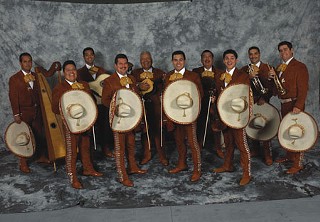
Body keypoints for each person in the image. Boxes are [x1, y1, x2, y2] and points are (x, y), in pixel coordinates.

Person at [52, 60, 103, 189]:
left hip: (85, 121)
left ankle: (88, 169)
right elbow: (54, 108)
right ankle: (72, 176)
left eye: (73, 69)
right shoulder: (59, 87)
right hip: (70, 123)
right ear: (64, 73)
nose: (71, 72)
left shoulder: (84, 85)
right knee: (72, 151)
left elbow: (91, 102)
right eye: (68, 70)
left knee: (86, 146)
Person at [8, 53, 59, 173]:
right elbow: (13, 97)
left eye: (29, 61)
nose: (28, 64)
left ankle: (41, 156)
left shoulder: (37, 76)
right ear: (20, 63)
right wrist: (16, 114)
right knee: (24, 136)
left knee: (39, 133)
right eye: (25, 62)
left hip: (37, 110)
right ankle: (23, 162)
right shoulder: (14, 79)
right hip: (24, 112)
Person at [101, 54, 147, 187]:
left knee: (131, 144)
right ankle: (122, 175)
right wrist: (116, 108)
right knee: (120, 148)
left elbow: (135, 96)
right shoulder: (109, 81)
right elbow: (105, 100)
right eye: (120, 64)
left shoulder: (132, 78)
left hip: (131, 118)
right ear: (115, 66)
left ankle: (132, 167)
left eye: (125, 63)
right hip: (119, 119)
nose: (123, 66)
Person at [268, 41, 309, 174]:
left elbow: (303, 90)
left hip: (294, 104)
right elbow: (275, 91)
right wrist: (271, 78)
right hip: (284, 104)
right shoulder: (279, 67)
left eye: (285, 49)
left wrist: (298, 106)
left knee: (297, 133)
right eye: (280, 50)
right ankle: (290, 156)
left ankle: (298, 163)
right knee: (287, 130)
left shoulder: (300, 66)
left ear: (292, 50)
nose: (283, 52)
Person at [213, 49, 252, 186]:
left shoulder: (243, 75)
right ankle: (227, 165)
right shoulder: (219, 76)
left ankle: (247, 173)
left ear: (236, 60)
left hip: (237, 115)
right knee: (228, 143)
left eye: (232, 58)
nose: (229, 61)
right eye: (227, 58)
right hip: (224, 114)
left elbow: (245, 95)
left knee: (242, 145)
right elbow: (219, 94)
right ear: (224, 61)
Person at [164, 50, 203, 182]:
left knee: (192, 142)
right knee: (179, 141)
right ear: (172, 61)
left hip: (189, 113)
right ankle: (182, 163)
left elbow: (200, 95)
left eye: (181, 60)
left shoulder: (193, 76)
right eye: (175, 60)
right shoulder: (168, 75)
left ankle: (197, 169)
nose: (178, 62)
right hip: (174, 113)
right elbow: (166, 96)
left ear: (184, 61)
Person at [131, 51, 168, 166]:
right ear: (140, 61)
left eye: (147, 59)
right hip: (142, 106)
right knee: (144, 131)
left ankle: (162, 155)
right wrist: (138, 86)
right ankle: (147, 154)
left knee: (159, 131)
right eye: (143, 59)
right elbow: (130, 86)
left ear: (151, 60)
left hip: (156, 106)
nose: (145, 61)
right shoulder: (134, 73)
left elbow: (166, 88)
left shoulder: (160, 73)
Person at [77, 47, 114, 158]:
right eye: (87, 55)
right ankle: (89, 151)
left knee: (106, 122)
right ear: (84, 57)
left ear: (94, 56)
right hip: (88, 103)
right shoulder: (78, 73)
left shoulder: (102, 71)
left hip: (101, 103)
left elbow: (108, 85)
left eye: (91, 54)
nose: (89, 57)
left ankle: (105, 147)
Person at [240, 46, 274, 166]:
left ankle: (267, 154)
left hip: (264, 102)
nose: (253, 56)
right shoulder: (245, 69)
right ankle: (255, 149)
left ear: (259, 54)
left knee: (264, 126)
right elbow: (241, 84)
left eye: (255, 54)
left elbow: (273, 87)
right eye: (251, 54)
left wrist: (264, 98)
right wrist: (248, 77)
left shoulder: (267, 68)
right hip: (251, 101)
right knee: (252, 125)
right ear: (248, 55)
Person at [192, 50, 224, 159]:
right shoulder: (195, 72)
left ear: (212, 59)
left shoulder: (220, 72)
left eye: (209, 56)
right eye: (204, 57)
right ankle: (199, 146)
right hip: (201, 102)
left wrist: (217, 98)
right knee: (200, 124)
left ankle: (218, 147)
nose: (207, 59)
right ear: (201, 60)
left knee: (216, 124)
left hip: (214, 102)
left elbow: (223, 89)